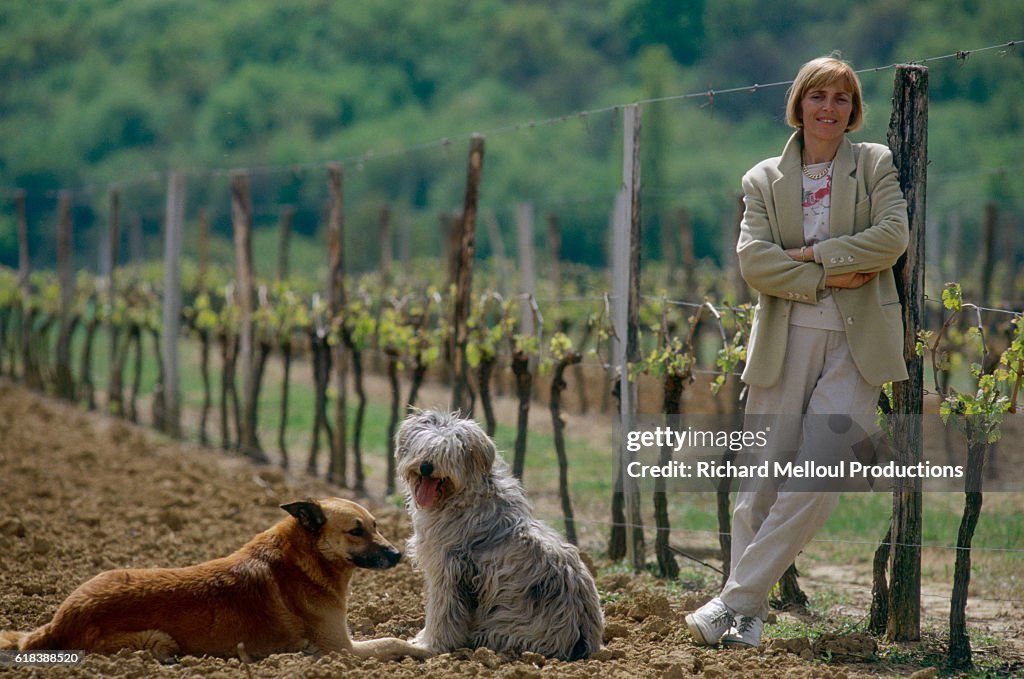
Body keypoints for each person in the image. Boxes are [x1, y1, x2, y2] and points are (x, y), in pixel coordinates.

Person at [685, 55, 909, 648]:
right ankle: (748, 620)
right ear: (799, 104)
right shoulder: (761, 178)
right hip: (784, 338)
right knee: (759, 482)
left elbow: (892, 238)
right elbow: (753, 263)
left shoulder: (876, 164)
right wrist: (834, 272)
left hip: (858, 344)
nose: (829, 108)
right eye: (819, 97)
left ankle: (732, 600)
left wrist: (809, 256)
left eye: (841, 98)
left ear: (854, 109)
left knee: (819, 473)